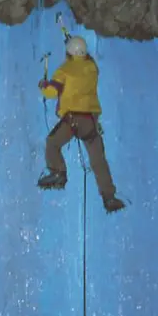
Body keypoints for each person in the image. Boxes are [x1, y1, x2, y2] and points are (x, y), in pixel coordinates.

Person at [37, 35, 125, 214]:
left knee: (52, 143)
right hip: (90, 122)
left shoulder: (65, 69)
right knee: (98, 160)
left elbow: (51, 91)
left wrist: (43, 84)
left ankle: (58, 174)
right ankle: (109, 197)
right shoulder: (92, 68)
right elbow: (86, 60)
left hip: (72, 120)